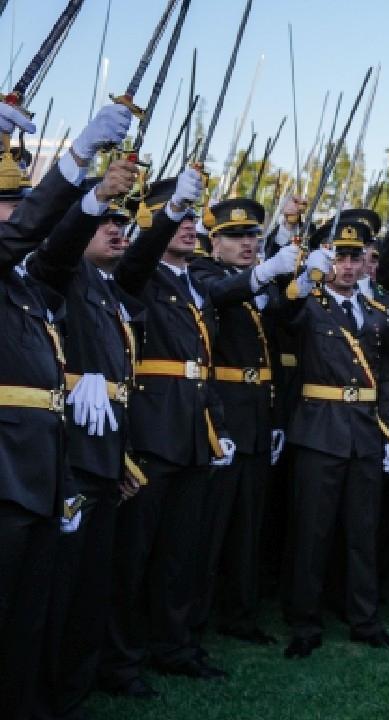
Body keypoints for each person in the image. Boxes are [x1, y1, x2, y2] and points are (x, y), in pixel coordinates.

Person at [0, 102, 132, 717]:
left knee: (28, 621)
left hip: (39, 476)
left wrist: (94, 197)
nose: (19, 216)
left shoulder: (24, 287)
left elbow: (49, 251)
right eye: (9, 205)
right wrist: (76, 155)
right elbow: (26, 233)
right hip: (5, 473)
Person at [99, 164, 234, 695]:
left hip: (192, 431)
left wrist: (216, 427)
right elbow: (134, 262)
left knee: (182, 554)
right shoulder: (136, 273)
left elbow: (204, 363)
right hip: (152, 433)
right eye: (173, 217)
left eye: (190, 219)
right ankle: (122, 660)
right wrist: (167, 209)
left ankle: (174, 645)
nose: (187, 227)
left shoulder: (195, 282)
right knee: (135, 558)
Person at [28, 160, 143, 719]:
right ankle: (52, 689)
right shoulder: (62, 273)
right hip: (67, 452)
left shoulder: (106, 287)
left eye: (122, 223)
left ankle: (76, 684)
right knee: (60, 586)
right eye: (105, 223)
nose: (117, 230)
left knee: (92, 582)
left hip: (103, 449)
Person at [280, 219, 389, 658]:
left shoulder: (375, 315)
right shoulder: (308, 305)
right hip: (319, 429)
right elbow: (279, 316)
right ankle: (304, 623)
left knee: (362, 533)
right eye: (339, 257)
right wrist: (300, 277)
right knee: (312, 533)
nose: (348, 266)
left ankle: (365, 620)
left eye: (355, 257)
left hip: (364, 433)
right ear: (325, 260)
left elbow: (384, 377)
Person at [188, 198, 298, 647]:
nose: (247, 243)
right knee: (209, 527)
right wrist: (268, 271)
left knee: (248, 525)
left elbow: (279, 328)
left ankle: (241, 612)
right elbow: (223, 293)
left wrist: (296, 280)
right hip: (222, 413)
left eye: (252, 236)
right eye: (236, 237)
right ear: (213, 242)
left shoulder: (257, 283)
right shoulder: (203, 273)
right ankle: (193, 618)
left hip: (256, 412)